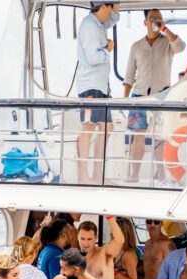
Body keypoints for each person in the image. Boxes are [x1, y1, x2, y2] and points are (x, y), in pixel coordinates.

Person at [124, 9, 185, 182]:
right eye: (152, 18)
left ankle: (161, 173)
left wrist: (165, 29)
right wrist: (124, 100)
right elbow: (129, 76)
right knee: (138, 135)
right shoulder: (136, 46)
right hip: (139, 96)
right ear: (145, 22)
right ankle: (134, 174)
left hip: (162, 96)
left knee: (160, 136)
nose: (156, 21)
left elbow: (181, 46)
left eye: (159, 18)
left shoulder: (168, 43)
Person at [76, 2, 120, 184]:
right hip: (90, 87)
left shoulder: (99, 24)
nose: (111, 14)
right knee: (88, 127)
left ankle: (97, 174)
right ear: (103, 7)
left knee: (107, 127)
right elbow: (94, 57)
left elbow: (112, 20)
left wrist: (116, 6)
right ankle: (84, 176)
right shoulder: (89, 26)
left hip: (101, 87)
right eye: (110, 8)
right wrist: (108, 49)